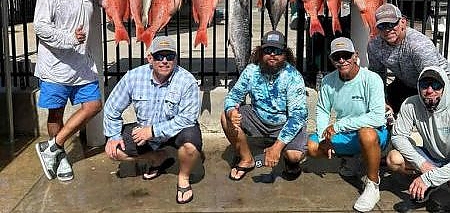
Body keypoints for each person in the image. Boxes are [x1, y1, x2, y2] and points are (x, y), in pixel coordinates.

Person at [103, 36, 202, 205]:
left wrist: (153, 131)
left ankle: (183, 178)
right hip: (145, 132)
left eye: (169, 56)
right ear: (150, 58)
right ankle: (157, 157)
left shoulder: (187, 81)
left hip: (175, 131)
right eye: (159, 56)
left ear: (176, 59)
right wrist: (113, 136)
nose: (164, 61)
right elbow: (112, 108)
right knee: (114, 151)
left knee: (191, 146)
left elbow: (187, 118)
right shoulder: (133, 77)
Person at [34, 0, 102, 182]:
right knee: (56, 113)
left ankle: (53, 146)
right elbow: (40, 27)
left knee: (93, 105)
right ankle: (60, 156)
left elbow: (109, 0)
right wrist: (69, 38)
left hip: (83, 66)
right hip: (55, 66)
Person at [307, 37, 389, 212]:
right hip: (346, 133)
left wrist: (339, 125)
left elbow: (377, 118)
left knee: (366, 134)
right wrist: (323, 136)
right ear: (332, 60)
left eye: (346, 55)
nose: (342, 60)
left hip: (373, 132)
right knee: (313, 146)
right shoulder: (328, 81)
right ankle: (353, 160)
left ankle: (373, 184)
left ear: (355, 55)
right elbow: (322, 110)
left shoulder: (372, 79)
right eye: (337, 57)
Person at [221, 30, 308, 181]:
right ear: (260, 53)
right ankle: (247, 159)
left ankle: (289, 161)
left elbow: (297, 117)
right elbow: (233, 97)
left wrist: (277, 148)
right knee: (224, 117)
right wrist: (231, 112)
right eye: (268, 50)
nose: (272, 54)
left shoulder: (294, 77)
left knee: (294, 156)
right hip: (257, 117)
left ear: (285, 54)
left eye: (277, 51)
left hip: (285, 122)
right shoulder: (251, 71)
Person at [368, 3, 450, 115]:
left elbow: (433, 79)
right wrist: (382, 102)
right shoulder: (374, 45)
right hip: (407, 82)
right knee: (378, 109)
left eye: (392, 24)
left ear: (403, 22)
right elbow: (376, 77)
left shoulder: (419, 45)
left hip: (439, 84)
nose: (387, 30)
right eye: (382, 26)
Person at [386, 66, 450, 207]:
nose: (429, 91)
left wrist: (428, 178)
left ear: (445, 87)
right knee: (393, 159)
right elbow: (398, 136)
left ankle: (433, 182)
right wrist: (422, 164)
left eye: (436, 85)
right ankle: (436, 180)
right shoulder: (411, 103)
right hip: (433, 157)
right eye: (424, 85)